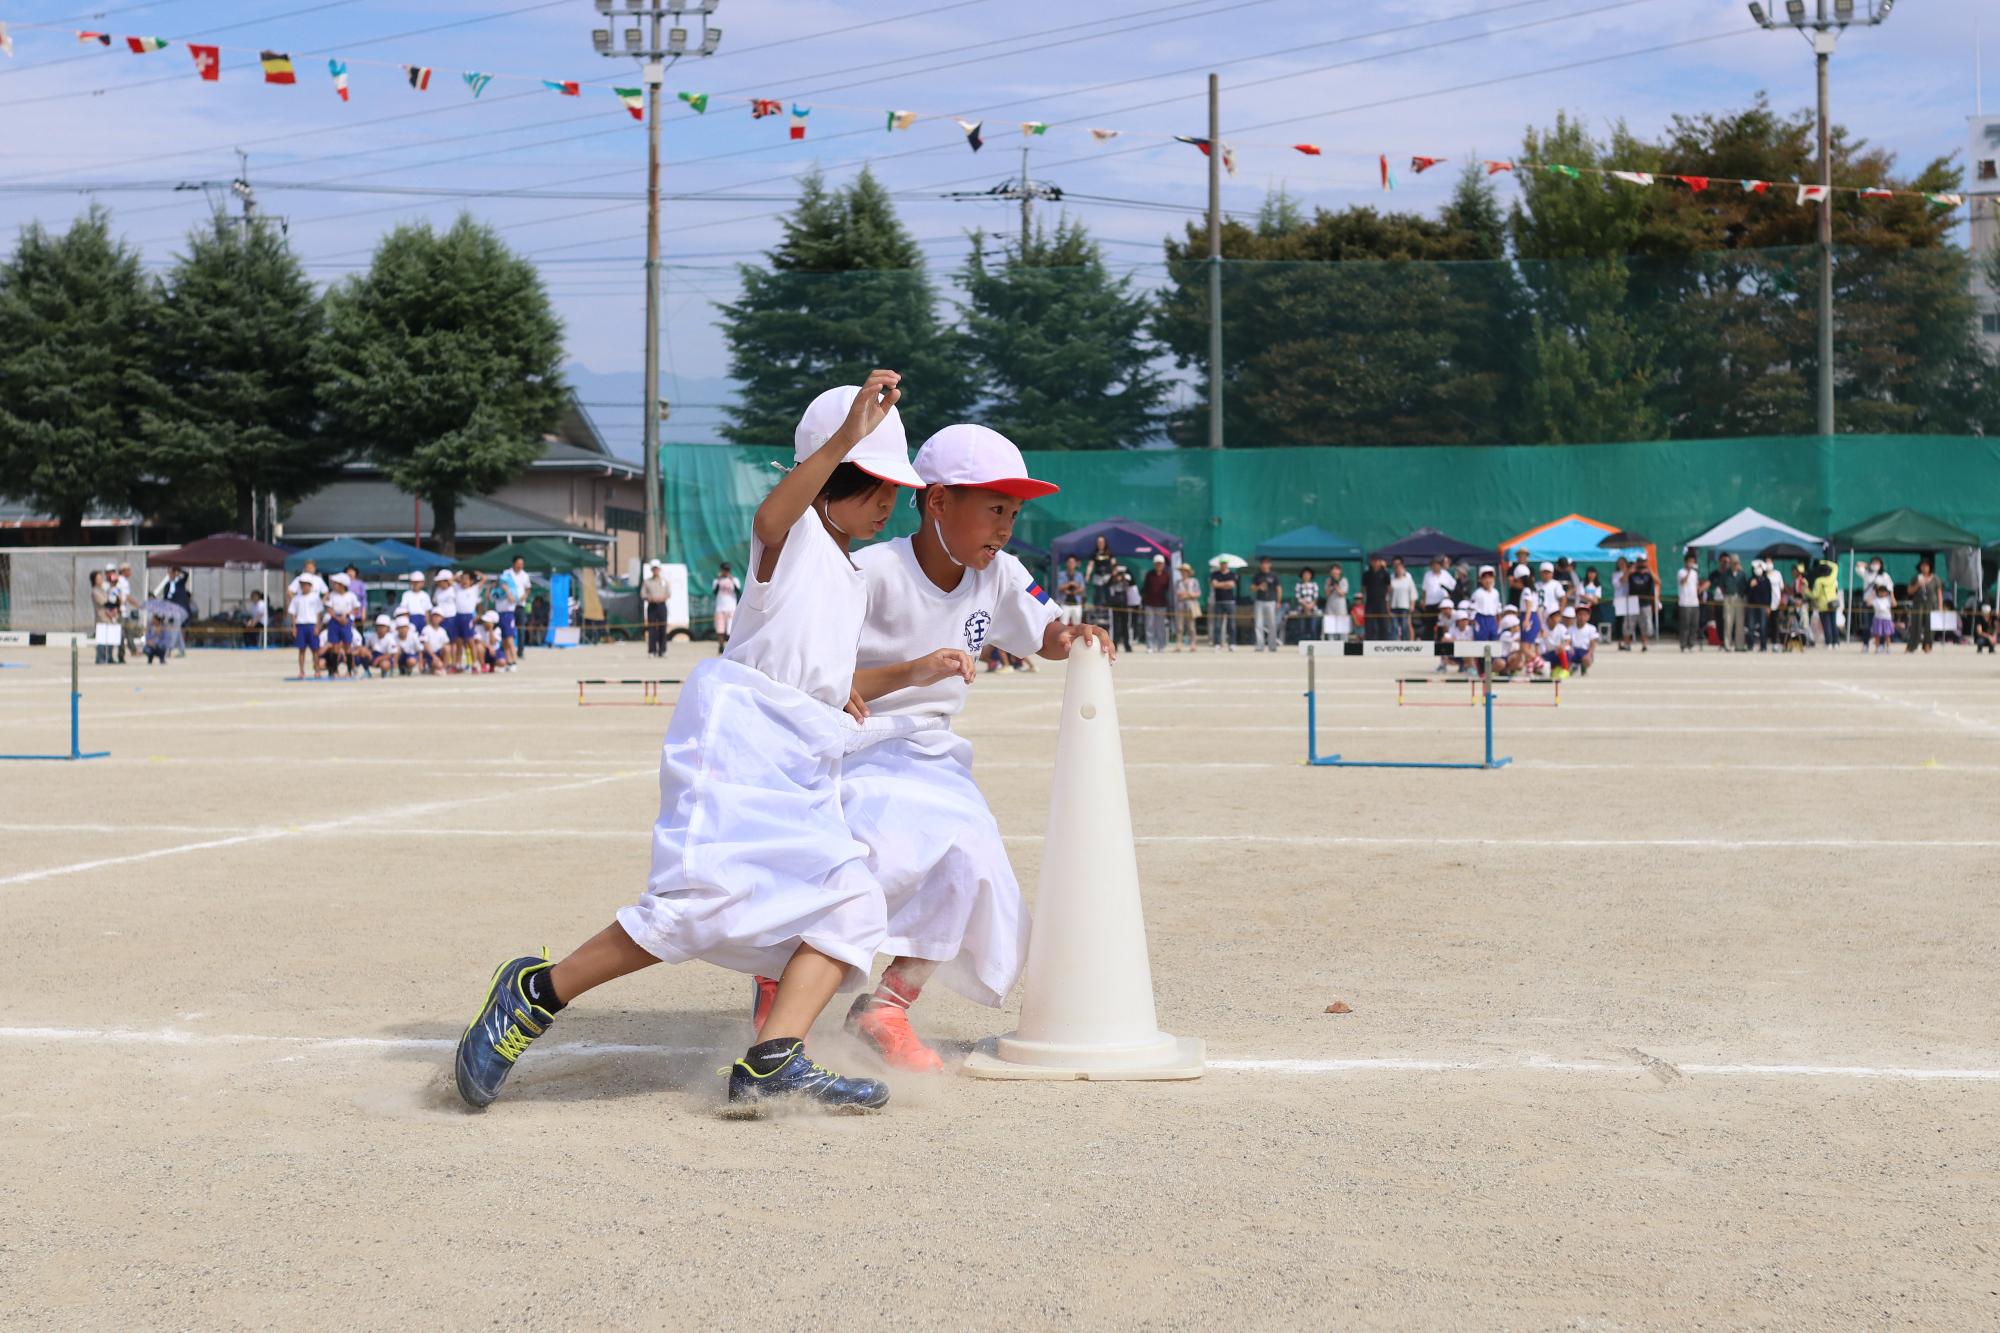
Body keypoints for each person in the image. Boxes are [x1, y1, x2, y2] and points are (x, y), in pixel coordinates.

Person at [452, 371, 923, 1117]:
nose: (888, 503)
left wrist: (861, 682)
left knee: (853, 905)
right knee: (694, 907)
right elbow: (772, 519)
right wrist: (843, 439)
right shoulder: (794, 534)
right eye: (873, 485)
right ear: (832, 476)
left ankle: (773, 1058)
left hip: (802, 755)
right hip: (739, 741)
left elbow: (810, 655)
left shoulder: (852, 573)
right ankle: (533, 993)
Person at [764, 422, 1111, 1072]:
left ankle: (886, 1007)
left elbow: (1046, 633)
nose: (1006, 525)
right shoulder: (868, 571)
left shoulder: (1001, 574)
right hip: (850, 750)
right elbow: (804, 669)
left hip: (934, 755)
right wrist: (888, 677)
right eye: (993, 507)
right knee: (858, 866)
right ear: (938, 501)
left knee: (972, 864)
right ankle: (776, 992)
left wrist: (1077, 634)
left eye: (1014, 510)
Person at [323, 572, 361, 676]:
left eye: (336, 583)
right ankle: (334, 670)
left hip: (346, 620)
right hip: (335, 620)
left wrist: (347, 614)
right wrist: (337, 617)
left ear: (342, 585)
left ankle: (349, 671)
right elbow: (329, 608)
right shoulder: (332, 595)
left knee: (347, 645)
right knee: (335, 646)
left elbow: (356, 608)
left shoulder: (351, 596)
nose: (334, 585)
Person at [287, 576, 324, 678]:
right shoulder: (296, 598)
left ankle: (317, 670)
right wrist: (294, 627)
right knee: (301, 650)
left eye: (306, 584)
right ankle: (301, 671)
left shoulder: (315, 597)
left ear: (310, 586)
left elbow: (318, 613)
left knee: (315, 650)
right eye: (302, 584)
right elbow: (293, 614)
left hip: (312, 625)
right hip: (301, 625)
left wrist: (318, 626)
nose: (304, 586)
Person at [495, 556, 530, 664]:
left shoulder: (525, 575)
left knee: (520, 629)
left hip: (519, 605)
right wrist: (509, 594)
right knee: (505, 632)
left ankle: (519, 652)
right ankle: (506, 654)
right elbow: (503, 584)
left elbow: (528, 588)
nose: (520, 566)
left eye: (522, 564)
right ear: (514, 563)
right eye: (518, 563)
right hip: (508, 606)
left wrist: (525, 596)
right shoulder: (507, 573)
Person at [1906, 559, 1942, 654]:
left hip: (1932, 605)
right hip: (1918, 605)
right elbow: (1909, 591)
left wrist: (1940, 607)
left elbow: (1939, 593)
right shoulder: (1916, 578)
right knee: (1916, 626)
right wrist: (1918, 585)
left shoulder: (1935, 578)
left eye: (1926, 566)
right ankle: (1912, 646)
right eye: (1922, 566)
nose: (1924, 568)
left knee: (1930, 626)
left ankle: (1927, 645)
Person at [1086, 537, 1119, 633]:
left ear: (1105, 543)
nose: (1100, 543)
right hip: (1098, 576)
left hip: (1107, 576)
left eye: (1102, 542)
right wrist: (1088, 575)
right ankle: (1098, 608)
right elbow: (1090, 565)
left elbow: (1114, 564)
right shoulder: (1094, 553)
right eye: (1098, 542)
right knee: (1098, 593)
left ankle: (1108, 607)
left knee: (1108, 592)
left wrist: (1115, 572)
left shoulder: (1109, 552)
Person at [1249, 556, 1282, 652]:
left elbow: (1279, 589)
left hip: (1271, 601)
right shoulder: (1257, 576)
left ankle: (1272, 645)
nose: (1264, 565)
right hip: (1259, 601)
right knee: (1258, 624)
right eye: (1263, 563)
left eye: (1266, 563)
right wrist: (1258, 587)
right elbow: (1252, 588)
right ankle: (1260, 645)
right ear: (1260, 565)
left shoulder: (1274, 575)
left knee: (1272, 624)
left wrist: (1278, 601)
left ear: (1269, 565)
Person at [1140, 554, 1171, 653]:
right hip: (1149, 604)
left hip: (1162, 604)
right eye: (1157, 563)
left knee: (1161, 626)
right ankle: (1150, 646)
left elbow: (1168, 590)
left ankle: (1161, 646)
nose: (1159, 565)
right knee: (1149, 626)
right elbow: (1145, 589)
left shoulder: (1167, 575)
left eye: (1160, 563)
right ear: (1154, 564)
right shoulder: (1149, 574)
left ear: (1163, 564)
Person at [1627, 556, 1658, 652]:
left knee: (1645, 624)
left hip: (1646, 602)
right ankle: (1628, 644)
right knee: (1630, 623)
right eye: (1639, 562)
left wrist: (1649, 570)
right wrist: (1632, 569)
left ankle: (1644, 644)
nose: (1641, 564)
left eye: (1643, 562)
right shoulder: (1632, 573)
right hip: (1633, 601)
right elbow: (1623, 580)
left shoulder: (1649, 574)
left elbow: (1658, 581)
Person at [1421, 555, 1456, 636]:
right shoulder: (1427, 575)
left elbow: (1453, 586)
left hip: (1442, 605)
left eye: (1436, 564)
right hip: (1430, 604)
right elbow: (1424, 589)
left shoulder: (1445, 574)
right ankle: (1429, 642)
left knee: (1442, 624)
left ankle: (1440, 642)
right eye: (1433, 565)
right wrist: (1423, 600)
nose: (1435, 567)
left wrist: (1448, 597)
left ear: (1440, 565)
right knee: (1429, 624)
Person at [641, 560, 670, 657]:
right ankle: (651, 650)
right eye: (654, 569)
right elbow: (643, 594)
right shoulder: (647, 582)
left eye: (657, 568)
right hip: (652, 606)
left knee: (663, 628)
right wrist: (650, 598)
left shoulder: (664, 581)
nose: (655, 570)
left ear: (660, 569)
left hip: (662, 606)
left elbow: (668, 593)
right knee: (652, 629)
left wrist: (662, 598)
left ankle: (663, 650)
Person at [1359, 554, 1391, 642]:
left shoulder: (1385, 573)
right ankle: (1369, 641)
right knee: (1369, 622)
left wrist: (1386, 598)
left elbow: (1389, 588)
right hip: (1370, 601)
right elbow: (1363, 588)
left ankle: (1384, 642)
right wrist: (1363, 598)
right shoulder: (1366, 574)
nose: (1375, 562)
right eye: (1373, 560)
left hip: (1381, 601)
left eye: (1377, 560)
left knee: (1383, 623)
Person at [710, 562, 740, 653]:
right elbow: (714, 592)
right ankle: (721, 645)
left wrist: (731, 580)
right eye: (724, 570)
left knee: (730, 629)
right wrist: (719, 581)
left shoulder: (734, 580)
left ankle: (730, 647)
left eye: (727, 570)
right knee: (720, 629)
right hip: (720, 608)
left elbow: (738, 591)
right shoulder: (717, 581)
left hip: (731, 608)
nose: (726, 572)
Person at [1208, 561, 1238, 650]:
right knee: (1217, 624)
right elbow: (1214, 585)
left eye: (1225, 563)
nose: (1223, 565)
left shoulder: (1232, 574)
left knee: (1231, 624)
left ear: (1227, 564)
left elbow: (1232, 585)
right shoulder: (1215, 574)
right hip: (1218, 602)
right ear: (1220, 564)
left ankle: (1232, 643)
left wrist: (1220, 584)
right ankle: (1217, 643)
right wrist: (1226, 584)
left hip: (1230, 602)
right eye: (1222, 563)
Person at [1676, 553, 1704, 652]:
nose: (1691, 564)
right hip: (1684, 602)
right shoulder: (1681, 572)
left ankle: (1691, 643)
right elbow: (1682, 582)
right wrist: (1688, 572)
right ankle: (1683, 644)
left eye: (1692, 562)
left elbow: (1696, 585)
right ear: (1686, 562)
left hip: (1694, 602)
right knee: (1685, 624)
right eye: (1689, 562)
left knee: (1694, 624)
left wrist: (1700, 589)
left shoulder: (1695, 573)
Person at [1468, 565, 1502, 641]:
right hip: (1480, 619)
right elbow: (1471, 610)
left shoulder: (1496, 592)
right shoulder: (1477, 593)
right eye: (1485, 578)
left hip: (1492, 620)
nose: (1488, 580)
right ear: (1480, 580)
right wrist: (1473, 622)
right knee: (1481, 643)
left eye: (1490, 577)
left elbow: (1498, 607)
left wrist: (1499, 621)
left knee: (1494, 641)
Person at [1386, 556, 1417, 641]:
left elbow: (1413, 593)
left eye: (1400, 568)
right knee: (1394, 627)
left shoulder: (1408, 579)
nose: (1398, 570)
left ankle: (1405, 644)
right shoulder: (1391, 579)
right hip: (1394, 607)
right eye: (1396, 568)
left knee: (1404, 626)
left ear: (1403, 568)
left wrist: (1412, 605)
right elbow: (1388, 595)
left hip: (1405, 607)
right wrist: (1388, 608)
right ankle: (1394, 644)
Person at [1173, 562, 1201, 650]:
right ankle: (1178, 644)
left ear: (1188, 572)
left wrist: (1188, 594)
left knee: (1191, 627)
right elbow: (1178, 594)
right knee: (1179, 627)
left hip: (1191, 606)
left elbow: (1198, 593)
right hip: (1180, 606)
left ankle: (1193, 644)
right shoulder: (1178, 582)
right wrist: (1189, 594)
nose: (1183, 572)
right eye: (1182, 571)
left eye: (1185, 571)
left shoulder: (1194, 581)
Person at [1866, 573, 1896, 653]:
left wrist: (1891, 592)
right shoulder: (1876, 600)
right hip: (1878, 619)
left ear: (1886, 592)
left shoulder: (1888, 599)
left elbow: (1894, 604)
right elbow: (1868, 603)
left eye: (1884, 591)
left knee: (1887, 635)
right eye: (1880, 591)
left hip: (1886, 619)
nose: (1882, 593)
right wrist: (1873, 592)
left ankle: (1888, 648)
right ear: (1878, 592)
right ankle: (1877, 647)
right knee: (1877, 634)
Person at [1746, 561, 1772, 652]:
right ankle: (1750, 645)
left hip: (1763, 606)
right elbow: (1747, 594)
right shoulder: (1751, 580)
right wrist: (1751, 587)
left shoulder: (1766, 580)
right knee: (1751, 626)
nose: (1758, 569)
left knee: (1763, 626)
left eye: (1760, 567)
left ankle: (1763, 646)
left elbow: (1769, 594)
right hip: (1752, 606)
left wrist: (1769, 607)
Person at [420, 607, 451, 674]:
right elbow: (425, 645)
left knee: (447, 648)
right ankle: (433, 667)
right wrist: (434, 657)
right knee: (437, 665)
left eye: (438, 616)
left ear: (442, 619)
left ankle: (443, 668)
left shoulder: (442, 631)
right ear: (431, 617)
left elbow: (446, 644)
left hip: (439, 653)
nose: (436, 618)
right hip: (429, 654)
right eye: (434, 616)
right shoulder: (426, 629)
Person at [1057, 556, 1085, 622]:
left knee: (1077, 626)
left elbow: (1082, 588)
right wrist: (1070, 583)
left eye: (1073, 562)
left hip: (1077, 604)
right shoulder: (1061, 574)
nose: (1071, 564)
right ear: (1067, 563)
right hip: (1065, 603)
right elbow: (1060, 588)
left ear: (1075, 564)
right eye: (1069, 562)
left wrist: (1074, 591)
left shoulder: (1079, 575)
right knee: (1063, 626)